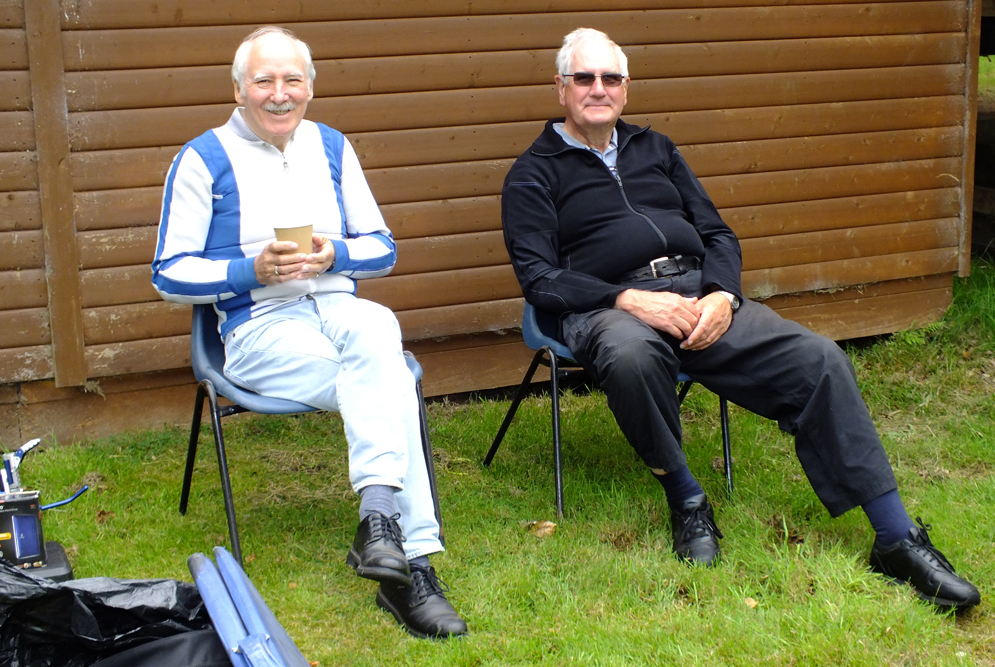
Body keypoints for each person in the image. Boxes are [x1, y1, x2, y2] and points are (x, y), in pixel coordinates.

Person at [500, 27, 980, 609]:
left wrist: (722, 295)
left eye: (611, 78)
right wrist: (626, 299)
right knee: (630, 355)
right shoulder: (533, 173)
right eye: (584, 78)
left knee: (819, 360)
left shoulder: (658, 149)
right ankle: (687, 501)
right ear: (560, 88)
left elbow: (717, 233)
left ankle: (896, 537)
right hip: (604, 306)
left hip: (698, 294)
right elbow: (540, 278)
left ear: (626, 88)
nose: (598, 89)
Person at [151, 26, 467, 638]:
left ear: (310, 87)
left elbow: (382, 248)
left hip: (337, 309)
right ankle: (411, 558)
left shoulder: (330, 146)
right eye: (264, 81)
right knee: (391, 379)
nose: (279, 94)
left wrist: (335, 255)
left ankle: (381, 527)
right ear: (238, 89)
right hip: (258, 328)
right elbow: (168, 272)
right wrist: (252, 269)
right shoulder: (202, 158)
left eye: (292, 80)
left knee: (378, 322)